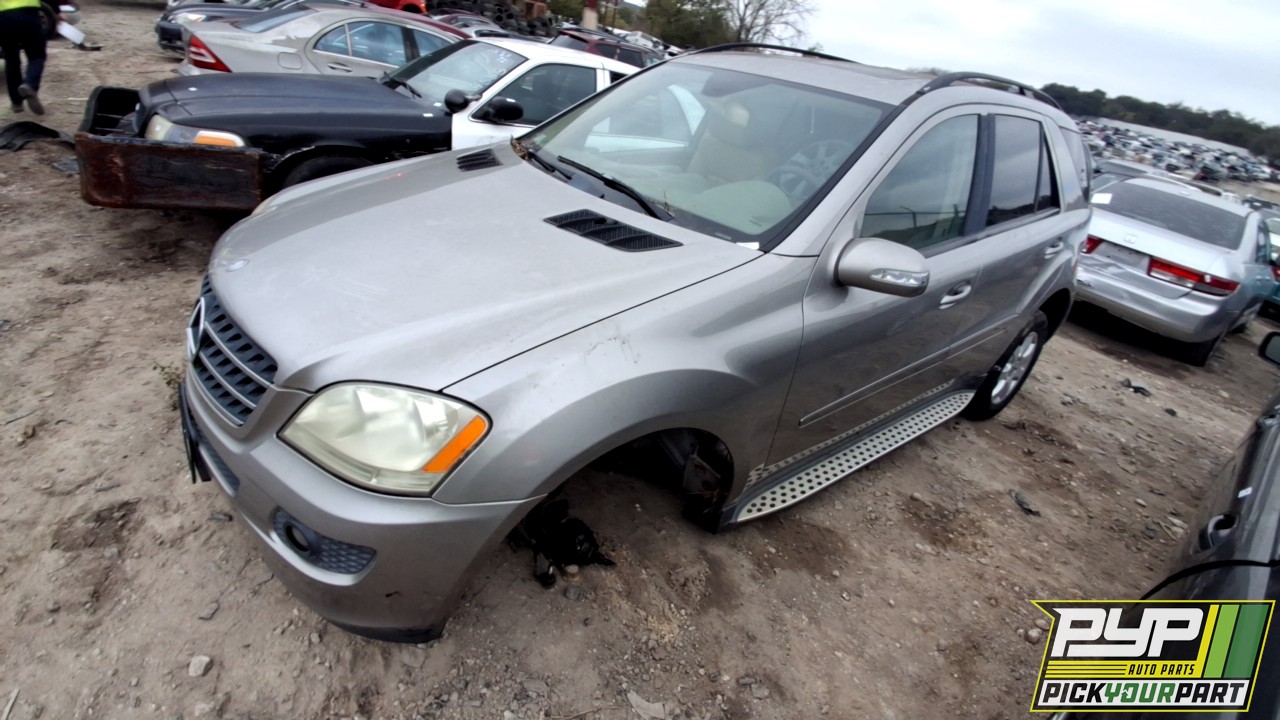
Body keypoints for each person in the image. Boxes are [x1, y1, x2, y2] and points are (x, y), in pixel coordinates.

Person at [0, 0, 48, 115]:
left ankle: (16, 103)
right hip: (28, 14)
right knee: (36, 56)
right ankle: (30, 85)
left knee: (11, 59)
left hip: (3, 17)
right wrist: (57, 11)